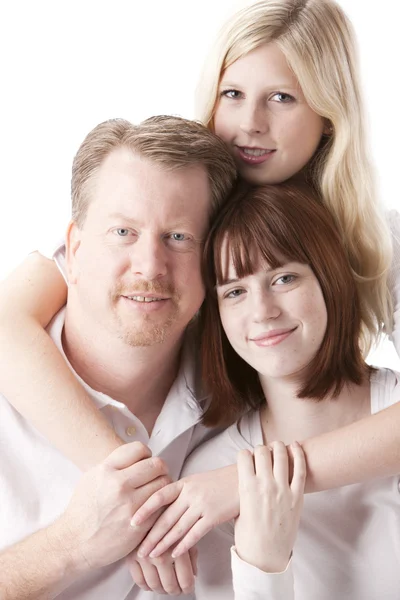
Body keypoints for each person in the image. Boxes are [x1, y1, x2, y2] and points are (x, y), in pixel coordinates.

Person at [0, 0, 400, 577]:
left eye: (282, 98)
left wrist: (246, 482)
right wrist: (138, 494)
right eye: (232, 93)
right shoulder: (172, 198)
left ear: (330, 114)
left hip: (286, 492)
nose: (249, 123)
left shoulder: (373, 238)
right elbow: (11, 323)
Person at [0, 115, 237, 599]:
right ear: (75, 249)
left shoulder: (242, 397)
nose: (150, 265)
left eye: (179, 237)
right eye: (123, 232)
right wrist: (68, 546)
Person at [144, 181, 398, 599]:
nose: (263, 311)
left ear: (330, 279)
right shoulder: (207, 479)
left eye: (284, 278)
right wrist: (263, 568)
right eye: (236, 291)